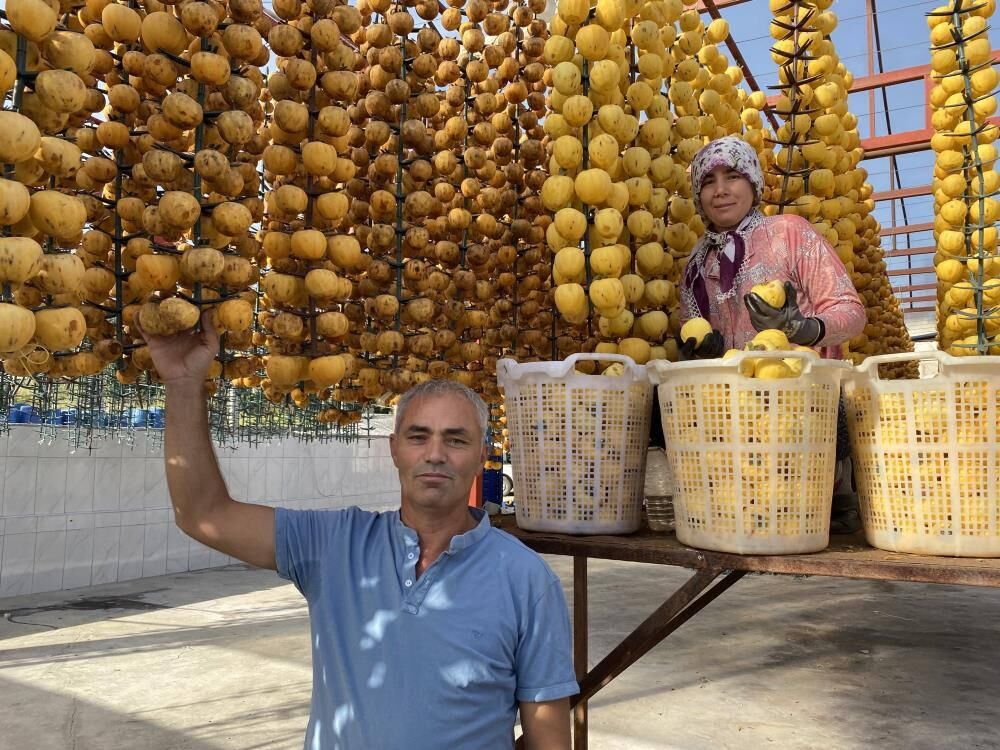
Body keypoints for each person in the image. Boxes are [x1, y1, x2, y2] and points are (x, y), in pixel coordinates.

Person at [141, 313, 578, 749]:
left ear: (483, 454)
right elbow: (202, 513)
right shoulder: (334, 545)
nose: (435, 454)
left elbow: (550, 740)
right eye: (418, 437)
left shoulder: (526, 580)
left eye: (456, 439)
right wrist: (182, 385)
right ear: (394, 450)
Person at [664, 135, 866, 533]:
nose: (720, 191)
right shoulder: (696, 264)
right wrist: (702, 351)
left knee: (797, 522)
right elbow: (695, 327)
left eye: (733, 176)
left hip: (803, 414)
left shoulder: (789, 233)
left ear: (754, 184)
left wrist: (804, 328)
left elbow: (852, 311)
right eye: (708, 181)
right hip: (733, 425)